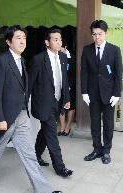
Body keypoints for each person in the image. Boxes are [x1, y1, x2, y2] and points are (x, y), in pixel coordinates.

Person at [0, 25, 62, 193]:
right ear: (8, 42)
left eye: (24, 38)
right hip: (5, 117)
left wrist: (25, 110)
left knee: (29, 154)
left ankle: (43, 190)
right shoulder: (1, 61)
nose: (22, 41)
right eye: (18, 38)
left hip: (21, 115)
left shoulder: (22, 60)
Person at [29, 28, 73, 177]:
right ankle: (60, 168)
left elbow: (64, 80)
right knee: (52, 134)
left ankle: (34, 155)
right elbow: (30, 84)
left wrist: (66, 99)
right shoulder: (38, 59)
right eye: (55, 39)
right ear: (47, 42)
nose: (59, 42)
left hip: (58, 101)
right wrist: (23, 105)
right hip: (44, 104)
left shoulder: (62, 57)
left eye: (60, 39)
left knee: (45, 131)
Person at [81, 20, 122, 164]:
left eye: (100, 34)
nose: (97, 37)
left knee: (109, 123)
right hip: (92, 94)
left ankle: (106, 150)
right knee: (95, 123)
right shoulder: (87, 50)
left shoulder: (114, 50)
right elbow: (84, 72)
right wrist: (84, 92)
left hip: (109, 94)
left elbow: (118, 74)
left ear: (106, 33)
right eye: (94, 34)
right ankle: (97, 149)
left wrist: (117, 94)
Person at [58, 45, 76, 136]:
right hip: (59, 86)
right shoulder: (56, 56)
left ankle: (67, 127)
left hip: (70, 86)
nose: (58, 50)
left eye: (60, 48)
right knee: (61, 106)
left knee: (70, 106)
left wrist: (70, 85)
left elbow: (75, 74)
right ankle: (62, 127)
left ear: (65, 47)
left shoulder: (73, 57)